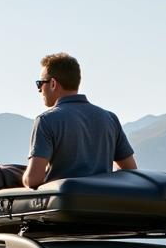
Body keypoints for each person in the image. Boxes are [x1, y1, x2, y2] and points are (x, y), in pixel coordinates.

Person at [23, 53, 137, 189]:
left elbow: (33, 180)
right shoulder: (110, 118)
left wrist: (22, 178)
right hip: (104, 204)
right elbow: (131, 171)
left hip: (65, 207)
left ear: (53, 84)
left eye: (40, 83)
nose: (40, 90)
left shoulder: (46, 120)